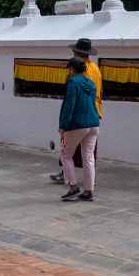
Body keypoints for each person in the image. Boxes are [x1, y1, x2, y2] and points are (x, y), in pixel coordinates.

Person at [51, 38, 104, 184]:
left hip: (80, 113)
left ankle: (68, 178)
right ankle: (90, 182)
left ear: (77, 53)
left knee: (67, 149)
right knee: (88, 153)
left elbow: (75, 96)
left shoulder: (79, 72)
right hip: (94, 113)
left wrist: (64, 124)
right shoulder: (96, 68)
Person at [58, 57, 99, 202]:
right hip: (93, 123)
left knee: (66, 155)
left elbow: (69, 106)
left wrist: (63, 126)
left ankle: (73, 187)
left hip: (77, 124)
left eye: (69, 69)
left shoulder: (73, 83)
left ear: (72, 69)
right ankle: (88, 191)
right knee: (88, 157)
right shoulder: (91, 83)